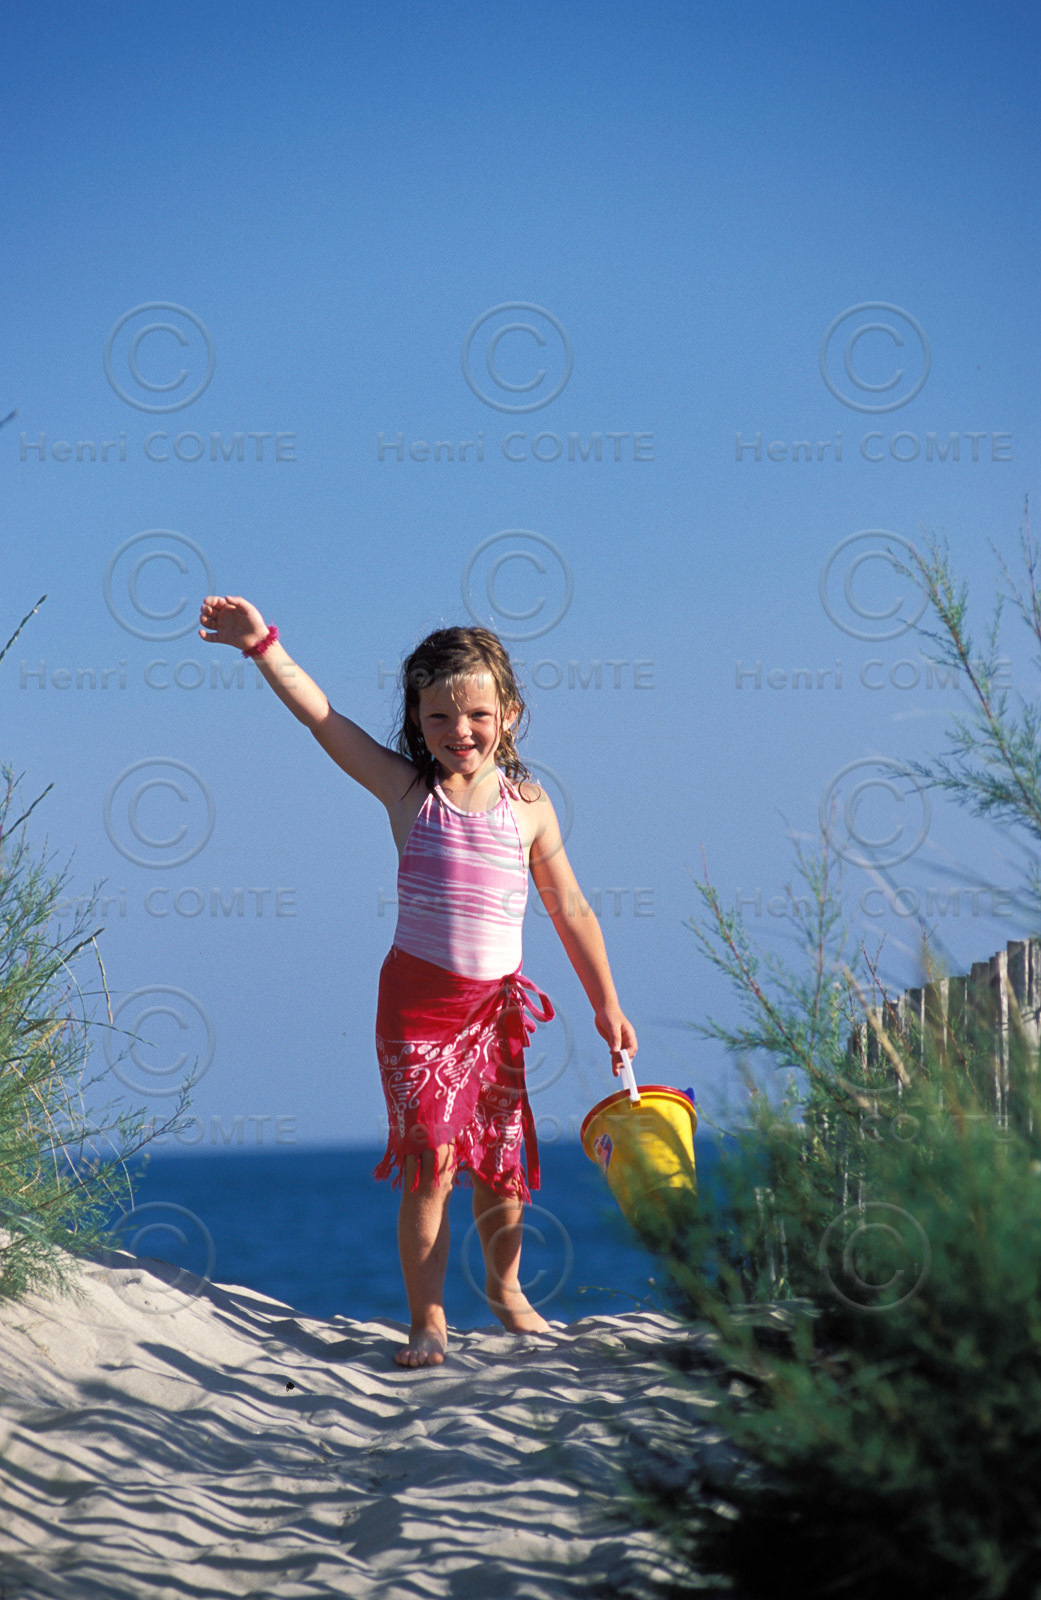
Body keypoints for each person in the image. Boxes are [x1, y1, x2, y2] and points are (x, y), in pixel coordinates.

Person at [198, 596, 639, 1367]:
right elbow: (323, 719)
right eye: (438, 717)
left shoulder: (529, 807)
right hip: (418, 1011)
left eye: (474, 713)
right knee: (432, 1160)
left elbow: (570, 909)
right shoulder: (410, 794)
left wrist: (607, 1003)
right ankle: (427, 1317)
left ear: (509, 712)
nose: (457, 731)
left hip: (494, 1011)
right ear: (416, 719)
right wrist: (261, 644)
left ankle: (506, 1292)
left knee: (500, 1164)